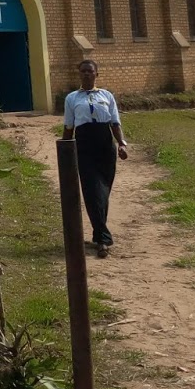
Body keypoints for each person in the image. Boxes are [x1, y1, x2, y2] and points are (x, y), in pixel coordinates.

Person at [62, 59, 130, 258]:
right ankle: (103, 240)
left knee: (103, 192)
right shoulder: (72, 99)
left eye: (90, 71)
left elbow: (114, 123)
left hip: (105, 147)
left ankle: (98, 232)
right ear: (79, 74)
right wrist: (65, 152)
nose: (86, 74)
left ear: (96, 74)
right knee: (92, 192)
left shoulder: (107, 96)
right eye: (82, 71)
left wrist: (122, 144)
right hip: (84, 147)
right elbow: (68, 127)